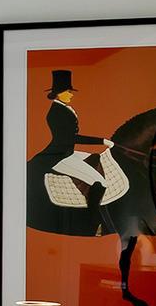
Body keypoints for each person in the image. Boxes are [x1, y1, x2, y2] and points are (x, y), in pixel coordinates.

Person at [35, 69, 111, 231]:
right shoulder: (56, 113)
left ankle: (84, 191)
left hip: (67, 151)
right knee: (100, 183)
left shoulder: (64, 109)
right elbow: (71, 138)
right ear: (59, 93)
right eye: (68, 92)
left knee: (95, 157)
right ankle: (93, 222)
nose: (71, 95)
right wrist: (102, 141)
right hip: (59, 156)